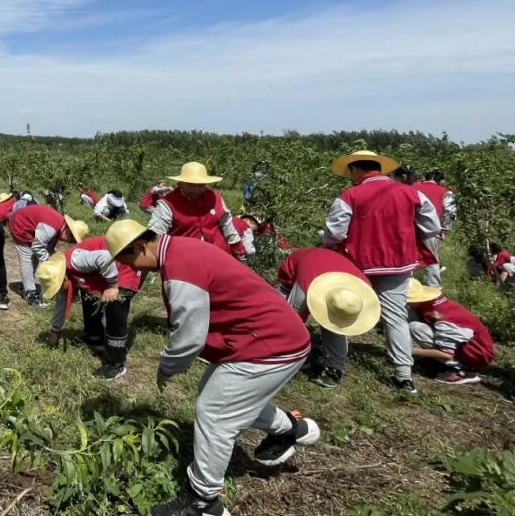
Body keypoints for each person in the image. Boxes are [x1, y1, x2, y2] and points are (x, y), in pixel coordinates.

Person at [106, 219, 319, 516]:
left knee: (215, 411)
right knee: (225, 396)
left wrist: (166, 367)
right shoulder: (180, 249)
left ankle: (203, 502)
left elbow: (189, 337)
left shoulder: (179, 268)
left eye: (128, 259)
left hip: (269, 344)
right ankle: (293, 429)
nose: (133, 268)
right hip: (273, 336)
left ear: (141, 245)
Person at [322, 150, 441, 395]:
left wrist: (328, 249)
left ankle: (334, 368)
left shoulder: (350, 195)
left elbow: (335, 233)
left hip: (358, 264)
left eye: (351, 172)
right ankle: (403, 375)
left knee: (338, 309)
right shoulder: (410, 191)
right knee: (396, 317)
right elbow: (432, 226)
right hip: (399, 264)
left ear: (356, 169)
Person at [37, 235, 143, 380]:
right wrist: (55, 332)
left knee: (115, 309)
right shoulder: (63, 274)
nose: (60, 290)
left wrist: (112, 286)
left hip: (125, 264)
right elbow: (61, 305)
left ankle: (116, 364)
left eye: (58, 287)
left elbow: (105, 257)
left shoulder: (75, 260)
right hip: (106, 270)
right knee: (89, 297)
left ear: (63, 278)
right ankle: (93, 338)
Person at [275, 247, 380, 388]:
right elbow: (292, 319)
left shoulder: (363, 289)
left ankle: (334, 369)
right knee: (280, 313)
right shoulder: (305, 285)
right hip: (302, 266)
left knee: (336, 325)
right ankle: (279, 357)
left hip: (328, 271)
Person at [147, 162, 245, 260]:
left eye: (201, 185)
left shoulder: (215, 198)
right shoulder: (167, 204)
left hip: (216, 256)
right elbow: (155, 234)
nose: (197, 189)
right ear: (180, 183)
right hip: (183, 259)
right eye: (192, 185)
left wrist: (237, 246)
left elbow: (226, 224)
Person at [406, 278, 494, 385]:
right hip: (468, 345)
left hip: (474, 355)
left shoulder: (443, 318)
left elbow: (445, 354)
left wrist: (410, 352)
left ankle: (464, 370)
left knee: (416, 328)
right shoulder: (430, 304)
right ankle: (438, 360)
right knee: (415, 324)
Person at [8, 204, 89, 308]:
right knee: (27, 258)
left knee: (36, 257)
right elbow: (37, 247)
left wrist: (59, 262)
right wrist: (50, 261)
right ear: (68, 232)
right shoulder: (51, 227)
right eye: (72, 240)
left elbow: (48, 249)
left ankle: (26, 284)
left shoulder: (58, 228)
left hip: (31, 226)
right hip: (20, 224)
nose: (70, 243)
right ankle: (30, 294)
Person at [410, 170, 457, 288]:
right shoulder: (445, 192)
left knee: (407, 260)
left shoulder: (412, 187)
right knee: (431, 261)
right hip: (430, 230)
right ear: (440, 180)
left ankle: (408, 288)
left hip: (409, 228)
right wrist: (444, 228)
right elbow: (450, 211)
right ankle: (434, 290)